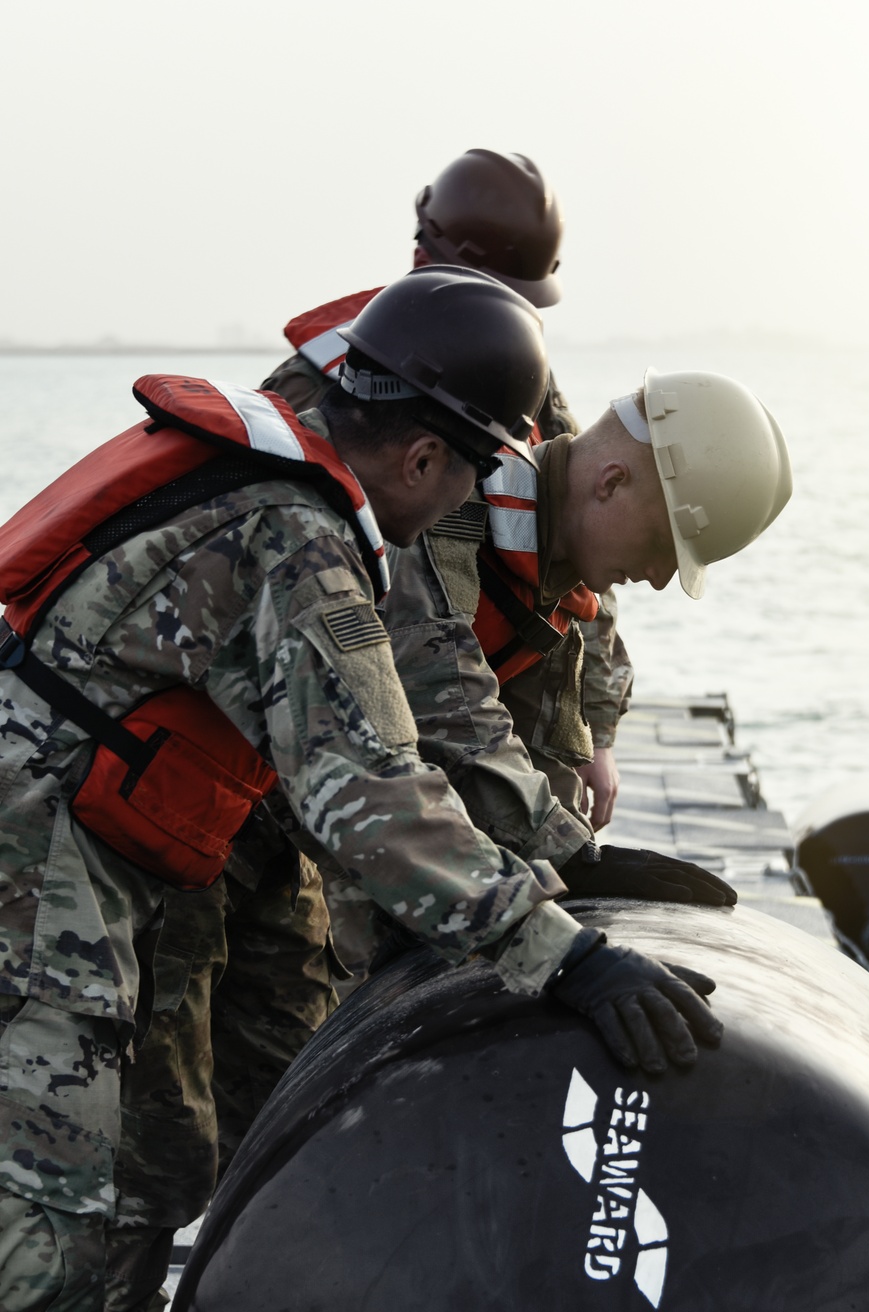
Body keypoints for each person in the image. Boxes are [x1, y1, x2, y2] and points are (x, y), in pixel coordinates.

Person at [0, 267, 724, 1311]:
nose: (468, 504)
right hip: (35, 864)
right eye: (470, 475)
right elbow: (376, 797)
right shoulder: (301, 543)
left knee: (123, 1177)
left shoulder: (255, 470)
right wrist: (568, 957)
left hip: (54, 837)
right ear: (423, 454)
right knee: (52, 1232)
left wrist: (567, 855)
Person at [332, 367, 794, 981]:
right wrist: (574, 860)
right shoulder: (451, 509)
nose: (658, 578)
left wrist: (580, 862)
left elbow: (541, 752)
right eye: (662, 545)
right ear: (611, 482)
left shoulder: (550, 567)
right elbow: (447, 707)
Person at [262, 147, 631, 826]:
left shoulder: (523, 380)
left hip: (493, 694)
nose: (508, 314)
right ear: (433, 260)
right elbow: (398, 624)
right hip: (361, 702)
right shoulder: (324, 390)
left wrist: (589, 730)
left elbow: (576, 544)